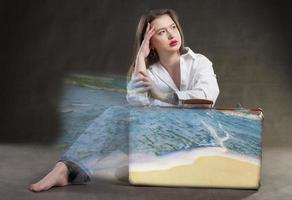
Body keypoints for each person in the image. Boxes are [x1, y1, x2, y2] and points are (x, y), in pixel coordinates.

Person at [29, 8, 219, 192]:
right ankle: (65, 169)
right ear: (150, 42)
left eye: (173, 27)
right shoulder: (149, 72)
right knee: (116, 114)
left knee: (124, 144)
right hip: (165, 138)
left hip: (198, 135)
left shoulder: (199, 62)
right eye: (161, 32)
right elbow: (136, 103)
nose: (171, 35)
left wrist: (162, 96)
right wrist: (141, 58)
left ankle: (133, 164)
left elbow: (208, 95)